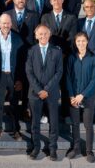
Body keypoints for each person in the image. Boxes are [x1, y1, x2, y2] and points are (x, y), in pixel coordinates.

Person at [26, 24, 63, 161]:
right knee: (35, 123)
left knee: (53, 122)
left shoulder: (56, 51)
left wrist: (46, 89)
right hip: (35, 93)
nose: (43, 36)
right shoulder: (31, 51)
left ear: (49, 35)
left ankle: (52, 148)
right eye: (40, 34)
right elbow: (29, 72)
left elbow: (59, 72)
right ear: (36, 36)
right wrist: (39, 89)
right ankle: (36, 147)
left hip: (51, 93)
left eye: (45, 34)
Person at [41, 0, 77, 120]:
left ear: (62, 0)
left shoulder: (71, 17)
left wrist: (62, 53)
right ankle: (46, 113)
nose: (55, 2)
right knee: (48, 85)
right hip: (49, 58)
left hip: (65, 57)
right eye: (53, 0)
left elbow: (72, 38)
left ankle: (66, 113)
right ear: (50, 2)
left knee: (65, 86)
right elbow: (44, 36)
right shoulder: (45, 17)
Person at [65, 32, 95, 163]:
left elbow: (94, 80)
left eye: (83, 41)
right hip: (73, 97)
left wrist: (82, 95)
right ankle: (75, 148)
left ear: (87, 41)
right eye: (78, 41)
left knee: (88, 125)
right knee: (75, 124)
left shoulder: (93, 58)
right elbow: (68, 77)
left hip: (88, 97)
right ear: (75, 43)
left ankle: (89, 150)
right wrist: (71, 95)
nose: (81, 43)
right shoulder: (71, 58)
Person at [4, 0, 39, 121]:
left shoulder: (34, 16)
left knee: (26, 83)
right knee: (12, 82)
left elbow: (36, 37)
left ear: (26, 0)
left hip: (28, 55)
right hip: (11, 55)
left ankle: (25, 108)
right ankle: (11, 109)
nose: (20, 0)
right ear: (13, 0)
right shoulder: (6, 15)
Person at [0, 14, 24, 141]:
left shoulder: (18, 39)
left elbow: (21, 62)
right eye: (3, 23)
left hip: (13, 76)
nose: (6, 25)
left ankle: (16, 130)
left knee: (14, 103)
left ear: (11, 24)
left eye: (8, 23)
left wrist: (19, 79)